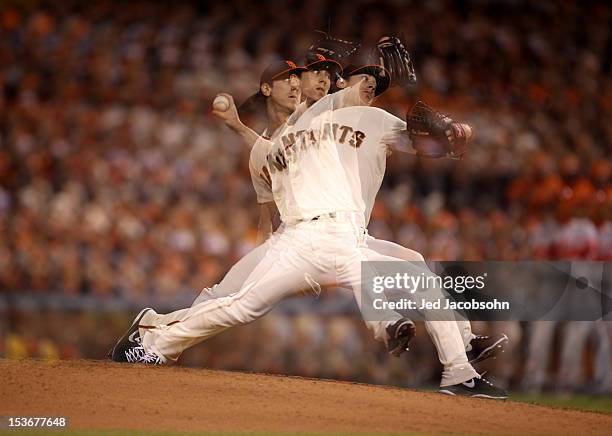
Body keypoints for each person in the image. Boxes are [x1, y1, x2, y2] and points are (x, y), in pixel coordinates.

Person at [111, 57, 508, 399]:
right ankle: (154, 341)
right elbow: (265, 155)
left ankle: (456, 369)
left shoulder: (338, 112)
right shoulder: (282, 136)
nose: (310, 83)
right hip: (299, 240)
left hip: (347, 240)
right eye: (300, 78)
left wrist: (456, 133)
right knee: (239, 304)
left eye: (318, 77)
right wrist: (236, 125)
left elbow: (408, 129)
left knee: (417, 273)